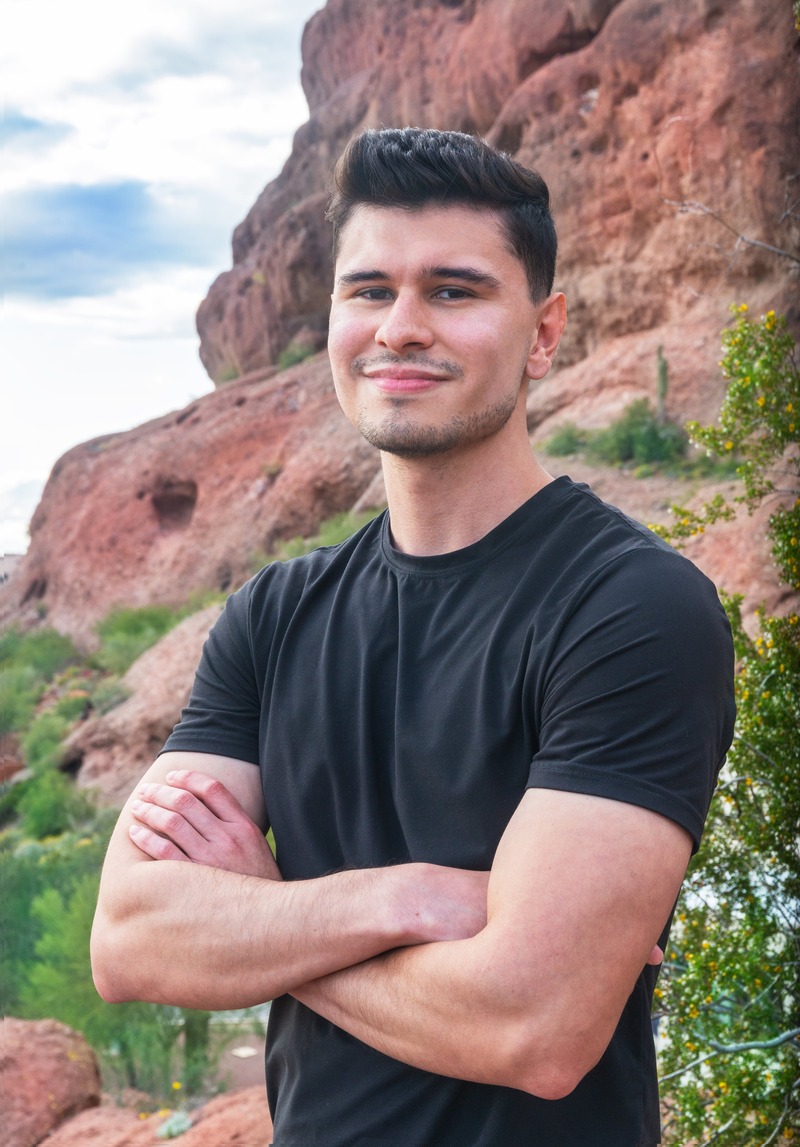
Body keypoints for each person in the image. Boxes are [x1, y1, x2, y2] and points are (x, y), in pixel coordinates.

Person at [91, 127, 735, 1145]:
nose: (399, 327)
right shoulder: (273, 614)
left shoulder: (630, 607)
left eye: (452, 290)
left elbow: (535, 1027)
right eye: (369, 289)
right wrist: (406, 898)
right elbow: (130, 938)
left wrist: (270, 910)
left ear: (544, 331)